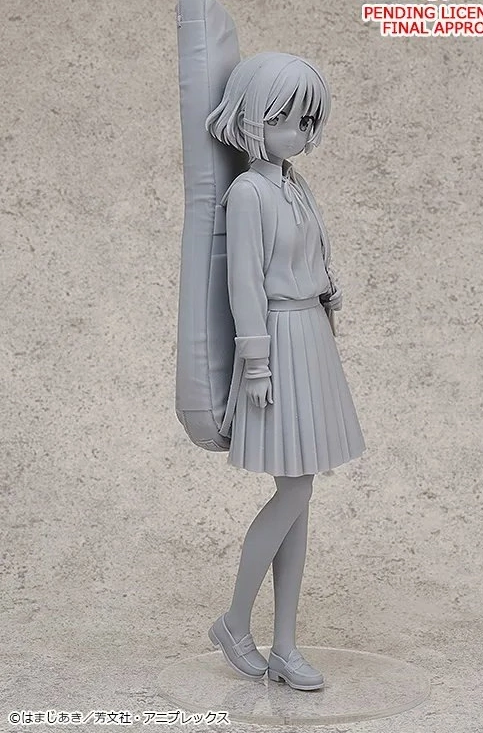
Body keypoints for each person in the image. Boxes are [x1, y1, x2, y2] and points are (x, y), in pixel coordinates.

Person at [205, 52, 365, 690]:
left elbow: (310, 255)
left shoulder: (294, 185)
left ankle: (285, 644)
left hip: (310, 337)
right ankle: (234, 622)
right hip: (276, 344)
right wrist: (256, 361)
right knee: (293, 491)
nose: (298, 132)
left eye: (306, 121)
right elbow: (243, 284)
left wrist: (326, 287)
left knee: (301, 497)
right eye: (284, 120)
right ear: (252, 118)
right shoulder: (248, 193)